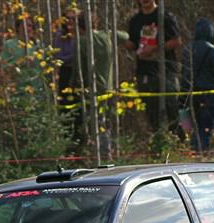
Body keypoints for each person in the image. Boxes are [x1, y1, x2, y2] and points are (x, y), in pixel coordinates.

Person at [72, 13, 129, 156]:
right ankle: (112, 151)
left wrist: (73, 87)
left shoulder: (81, 42)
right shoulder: (106, 36)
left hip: (91, 89)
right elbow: (125, 36)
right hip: (109, 88)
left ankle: (101, 153)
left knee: (95, 123)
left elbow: (78, 68)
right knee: (108, 121)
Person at [124, 0, 181, 132]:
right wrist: (122, 40)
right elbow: (132, 43)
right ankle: (159, 144)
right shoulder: (135, 20)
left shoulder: (165, 17)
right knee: (151, 112)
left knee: (172, 109)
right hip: (144, 72)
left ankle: (180, 144)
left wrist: (155, 48)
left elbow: (176, 41)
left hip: (166, 71)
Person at [181, 18, 214, 152]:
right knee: (207, 125)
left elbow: (183, 73)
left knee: (194, 125)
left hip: (191, 93)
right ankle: (203, 151)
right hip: (209, 93)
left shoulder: (187, 49)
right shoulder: (213, 50)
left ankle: (194, 150)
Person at [1, 16, 45, 97]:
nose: (27, 28)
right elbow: (4, 66)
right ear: (18, 28)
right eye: (24, 25)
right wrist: (20, 63)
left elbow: (44, 66)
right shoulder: (9, 44)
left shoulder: (38, 45)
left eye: (29, 25)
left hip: (36, 88)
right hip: (17, 88)